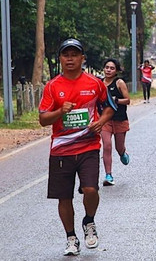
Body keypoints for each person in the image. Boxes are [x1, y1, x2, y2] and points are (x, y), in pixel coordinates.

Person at [38, 39, 117, 256]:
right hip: (61, 150)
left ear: (83, 58)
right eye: (66, 55)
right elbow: (43, 119)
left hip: (88, 146)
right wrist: (59, 112)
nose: (70, 58)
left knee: (91, 189)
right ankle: (71, 237)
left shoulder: (94, 83)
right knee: (64, 197)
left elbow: (110, 108)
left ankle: (89, 221)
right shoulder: (53, 86)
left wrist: (100, 123)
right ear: (61, 59)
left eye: (75, 54)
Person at [100, 58, 131, 187]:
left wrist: (116, 100)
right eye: (107, 67)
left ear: (116, 71)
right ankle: (108, 175)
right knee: (106, 146)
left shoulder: (119, 83)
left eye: (112, 68)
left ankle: (123, 152)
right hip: (105, 120)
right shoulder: (99, 83)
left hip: (119, 119)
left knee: (118, 147)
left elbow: (128, 100)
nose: (109, 70)